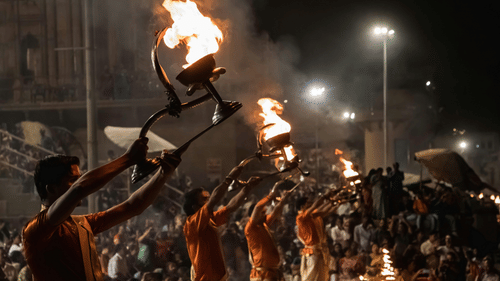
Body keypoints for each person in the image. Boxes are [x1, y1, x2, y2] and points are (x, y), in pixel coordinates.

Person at [23, 137, 181, 281]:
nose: (79, 183)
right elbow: (80, 189)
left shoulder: (82, 224)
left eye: (79, 178)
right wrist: (127, 159)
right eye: (72, 180)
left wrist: (163, 174)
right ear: (51, 189)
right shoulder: (35, 230)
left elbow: (133, 206)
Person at [183, 164, 262, 281]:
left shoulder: (209, 220)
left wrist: (248, 188)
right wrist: (230, 177)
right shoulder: (192, 223)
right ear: (195, 207)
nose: (207, 201)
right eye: (203, 199)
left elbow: (231, 206)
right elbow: (214, 198)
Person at [245, 180, 293, 281]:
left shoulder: (264, 224)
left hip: (272, 272)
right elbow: (258, 207)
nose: (265, 214)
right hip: (261, 274)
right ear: (253, 216)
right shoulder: (250, 228)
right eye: (262, 213)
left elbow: (276, 210)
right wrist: (273, 191)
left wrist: (284, 198)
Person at [296, 190, 339, 281]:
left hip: (319, 251)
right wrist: (325, 197)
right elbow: (315, 206)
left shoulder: (312, 215)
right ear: (302, 206)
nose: (310, 204)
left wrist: (335, 202)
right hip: (312, 252)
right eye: (308, 203)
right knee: (312, 277)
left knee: (321, 277)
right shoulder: (300, 218)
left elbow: (324, 211)